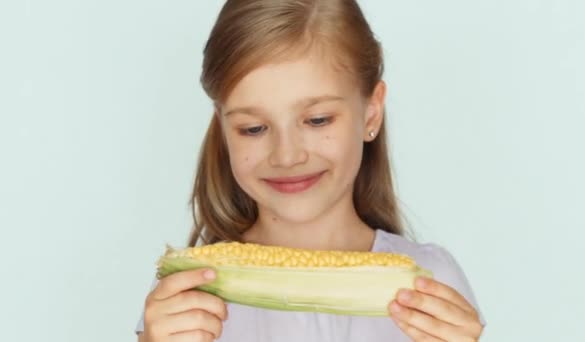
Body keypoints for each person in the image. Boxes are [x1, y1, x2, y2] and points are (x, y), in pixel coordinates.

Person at [135, 1, 485, 341]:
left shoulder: (433, 287)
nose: (287, 156)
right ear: (223, 127)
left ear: (371, 113)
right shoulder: (187, 299)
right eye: (254, 128)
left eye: (318, 120)